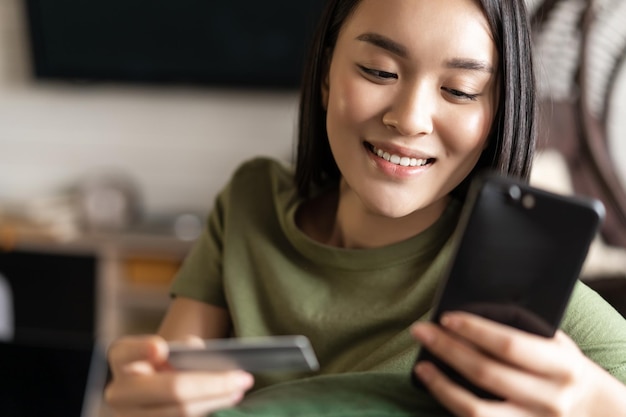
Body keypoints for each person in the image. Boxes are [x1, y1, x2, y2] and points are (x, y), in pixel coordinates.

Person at [104, 0, 626, 416]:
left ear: (498, 111)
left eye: (460, 90)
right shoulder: (250, 204)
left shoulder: (517, 300)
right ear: (328, 74)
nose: (410, 118)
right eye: (379, 71)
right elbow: (166, 383)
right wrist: (138, 400)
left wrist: (594, 405)